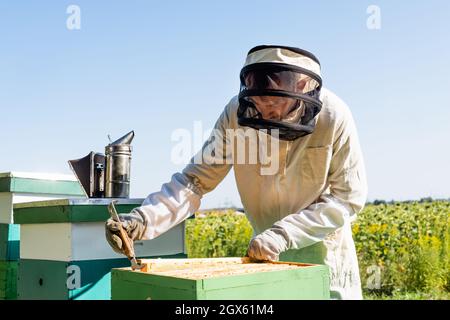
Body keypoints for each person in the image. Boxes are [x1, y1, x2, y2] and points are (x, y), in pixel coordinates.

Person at [105, 45, 368, 299]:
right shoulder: (236, 114)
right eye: (258, 101)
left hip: (321, 252)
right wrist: (143, 219)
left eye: (273, 102)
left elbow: (346, 197)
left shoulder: (334, 115)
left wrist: (284, 233)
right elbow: (196, 180)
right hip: (263, 256)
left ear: (300, 87)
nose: (265, 110)